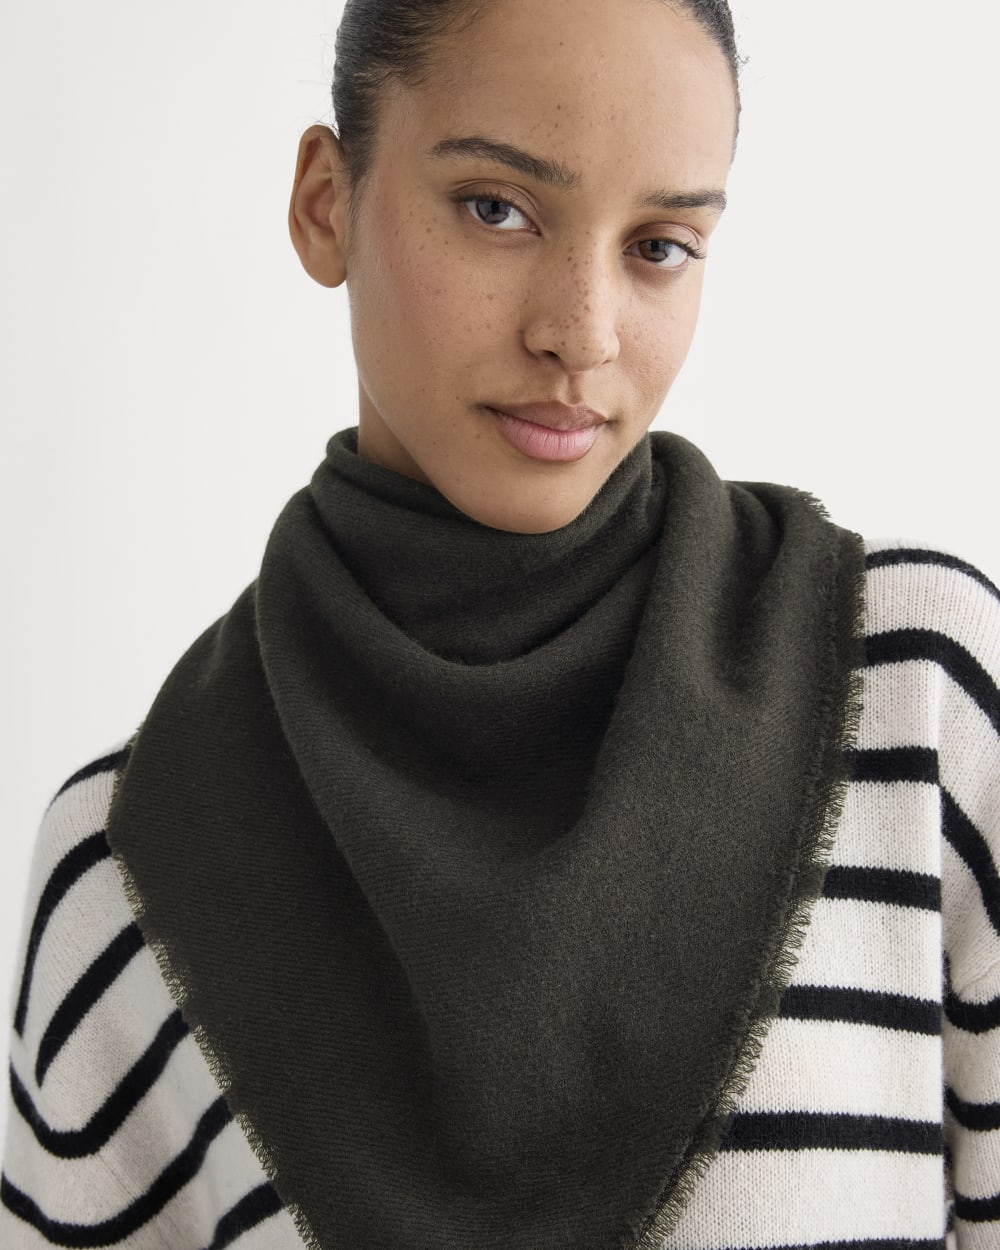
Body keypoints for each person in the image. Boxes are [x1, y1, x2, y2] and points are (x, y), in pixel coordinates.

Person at [2, 0, 998, 1246]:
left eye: (660, 245)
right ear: (325, 202)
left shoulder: (916, 699)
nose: (580, 332)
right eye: (496, 209)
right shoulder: (125, 863)